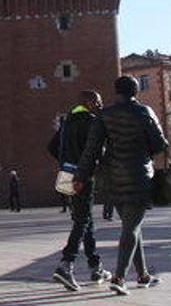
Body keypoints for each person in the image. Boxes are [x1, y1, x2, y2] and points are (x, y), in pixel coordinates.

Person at [74, 76, 167, 296]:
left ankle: (143, 274)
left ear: (116, 91)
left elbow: (92, 149)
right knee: (131, 227)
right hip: (139, 174)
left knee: (131, 225)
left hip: (113, 176)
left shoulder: (104, 115)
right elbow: (160, 143)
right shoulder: (145, 112)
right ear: (135, 91)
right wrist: (144, 152)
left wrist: (80, 175)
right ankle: (120, 277)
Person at [48, 90, 112, 291]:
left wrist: (66, 162)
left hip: (67, 174)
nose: (101, 105)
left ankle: (96, 267)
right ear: (90, 102)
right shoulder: (92, 122)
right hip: (83, 175)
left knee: (85, 219)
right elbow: (97, 151)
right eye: (98, 102)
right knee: (82, 220)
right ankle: (66, 265)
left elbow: (51, 146)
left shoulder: (67, 121)